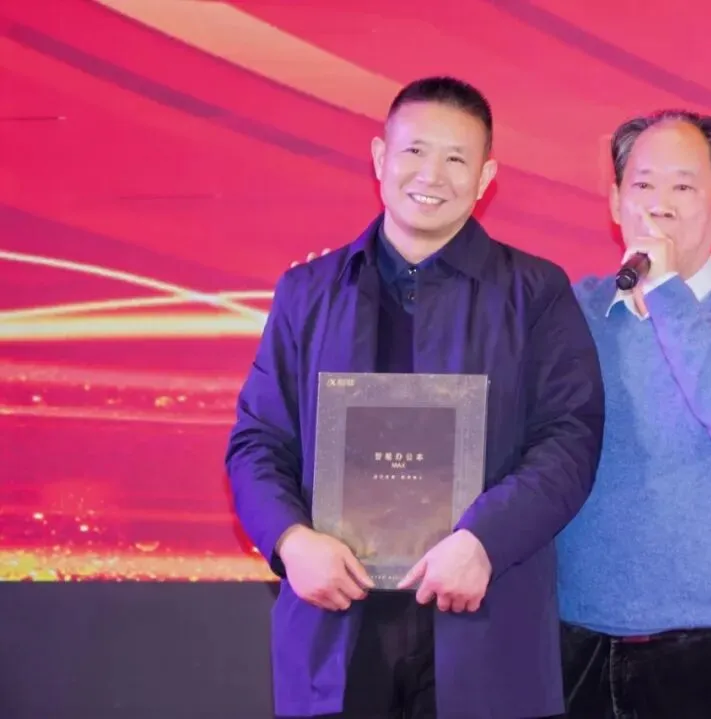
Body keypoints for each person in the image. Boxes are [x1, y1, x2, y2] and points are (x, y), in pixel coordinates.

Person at [225, 76, 605, 719]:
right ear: (380, 158)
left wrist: (484, 540)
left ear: (485, 177)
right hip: (336, 623)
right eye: (414, 151)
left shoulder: (536, 292)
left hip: (482, 616)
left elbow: (570, 439)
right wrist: (290, 540)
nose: (432, 175)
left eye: (456, 158)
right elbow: (258, 441)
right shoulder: (307, 291)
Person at [556, 110, 711, 718]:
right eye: (643, 184)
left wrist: (665, 289)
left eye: (683, 186)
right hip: (574, 644)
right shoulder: (572, 312)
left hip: (704, 653)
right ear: (616, 203)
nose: (659, 203)